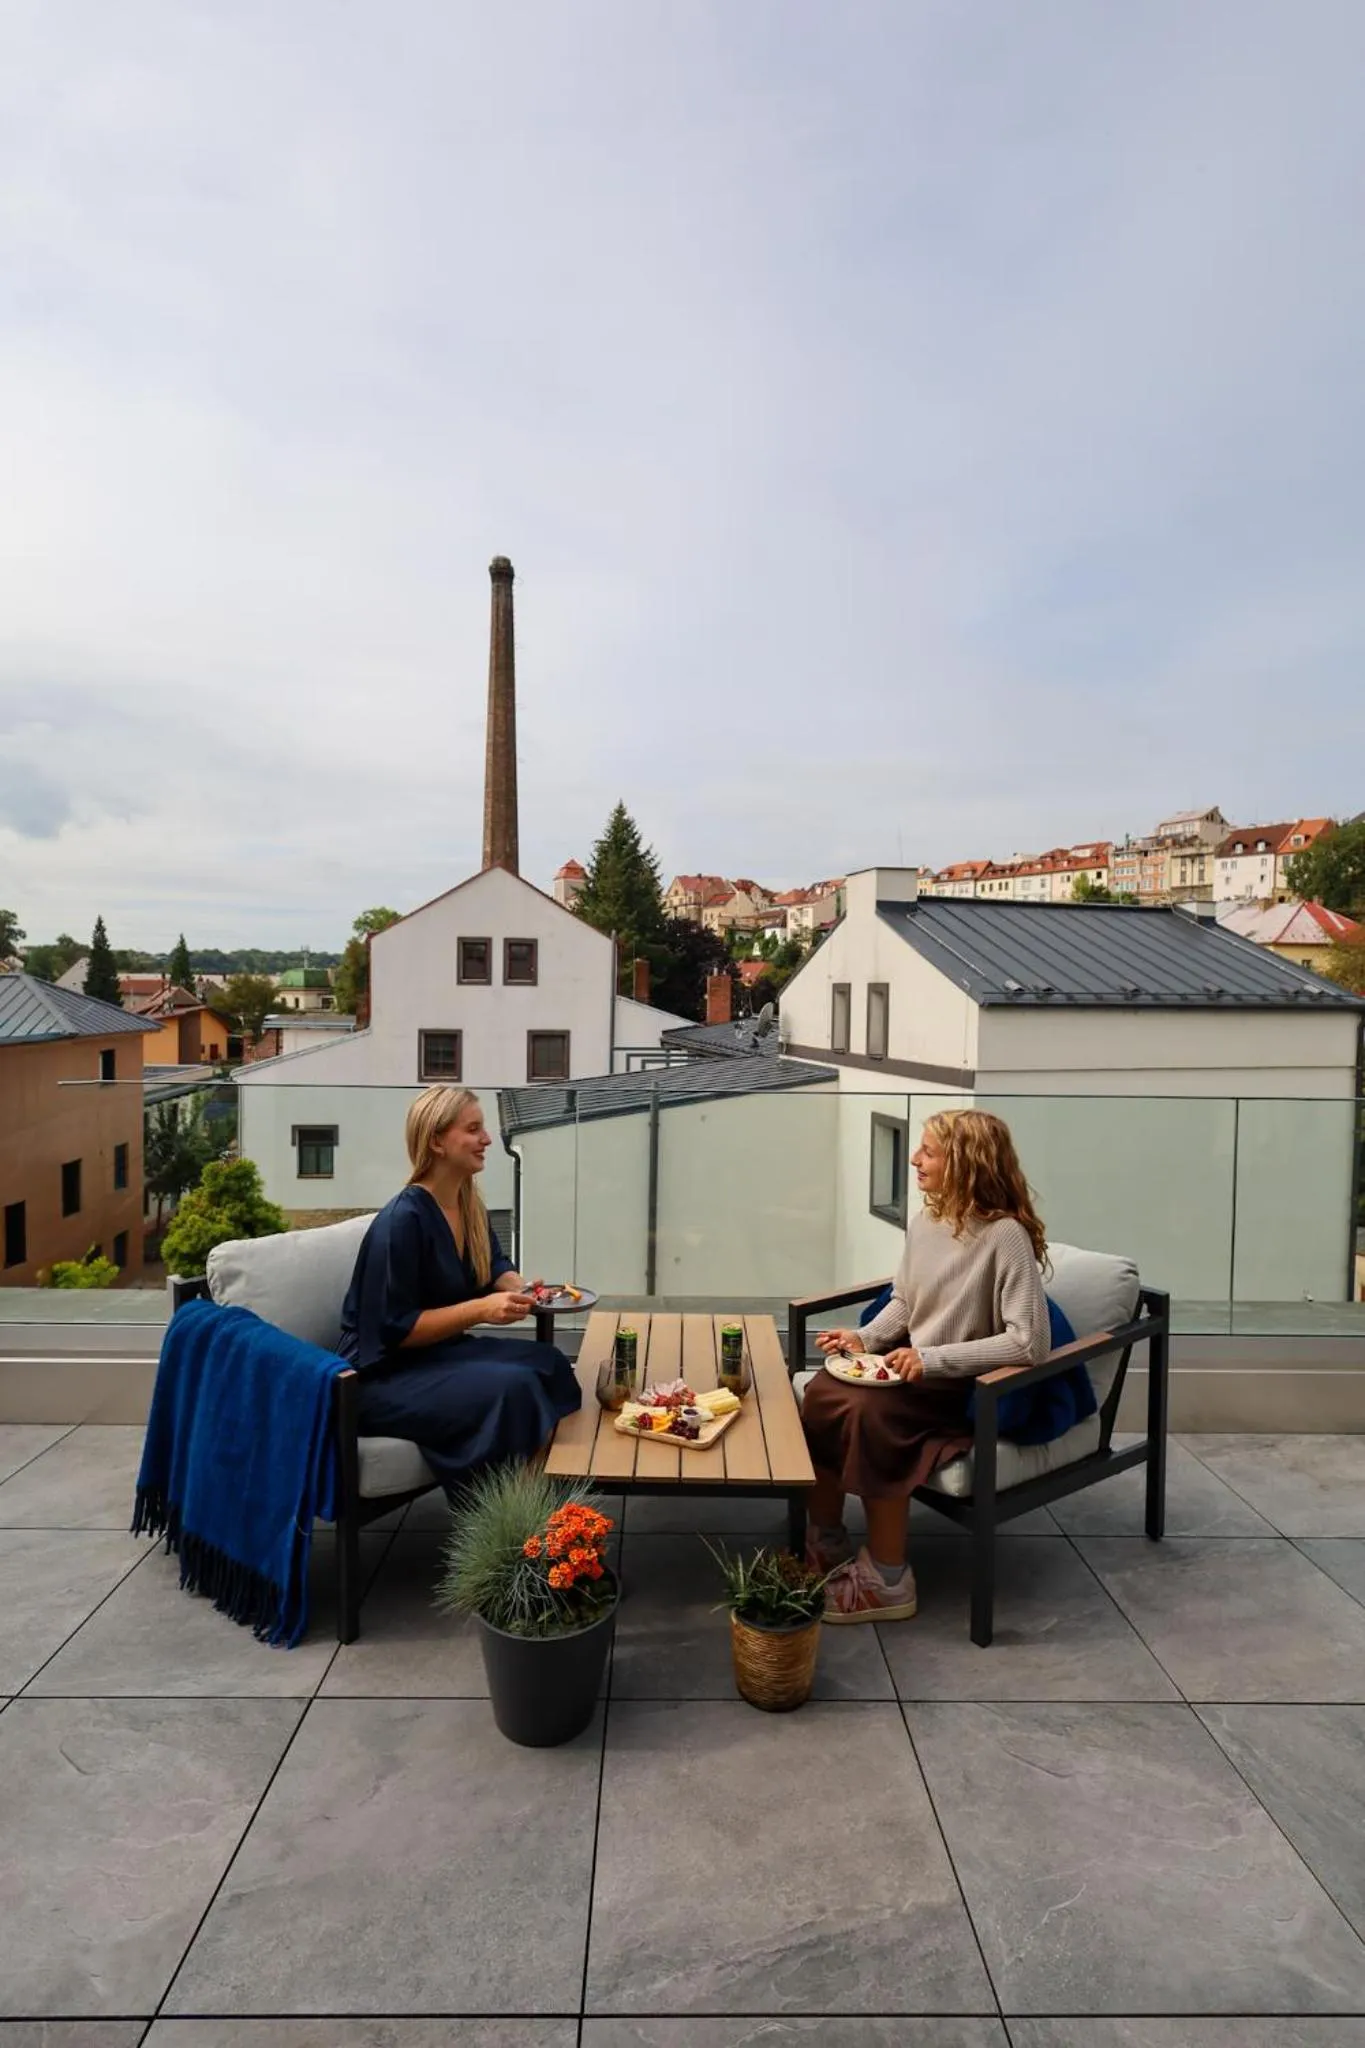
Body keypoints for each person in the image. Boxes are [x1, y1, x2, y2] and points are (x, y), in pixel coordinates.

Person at [801, 1108, 1050, 1624]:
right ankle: (826, 1542)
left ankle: (889, 1580)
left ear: (966, 1162)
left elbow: (1030, 1343)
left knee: (871, 1415)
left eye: (929, 1152)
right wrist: (864, 1338)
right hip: (913, 1371)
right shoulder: (927, 1221)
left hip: (961, 1386)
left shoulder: (1006, 1236)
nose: (914, 1159)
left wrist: (931, 1358)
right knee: (825, 1391)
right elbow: (905, 1301)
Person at [338, 1083, 582, 1496]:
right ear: (436, 1141)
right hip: (381, 1376)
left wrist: (518, 1287)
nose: (487, 1139)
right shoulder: (401, 1222)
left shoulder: (467, 1204)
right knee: (514, 1389)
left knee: (551, 1364)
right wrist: (481, 1309)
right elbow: (394, 1330)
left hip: (438, 1355)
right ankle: (507, 1518)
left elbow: (494, 1264)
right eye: (473, 1129)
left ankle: (544, 1504)